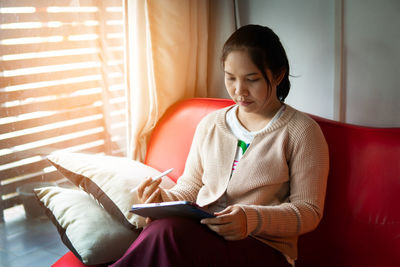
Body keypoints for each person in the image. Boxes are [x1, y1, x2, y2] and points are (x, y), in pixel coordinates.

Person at [110, 24, 329, 267]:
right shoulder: (211, 124)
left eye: (252, 79)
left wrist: (251, 219)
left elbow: (309, 211)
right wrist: (161, 201)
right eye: (230, 77)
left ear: (278, 75)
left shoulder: (302, 132)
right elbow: (191, 187)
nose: (239, 90)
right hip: (204, 235)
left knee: (169, 234)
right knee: (165, 227)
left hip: (264, 248)